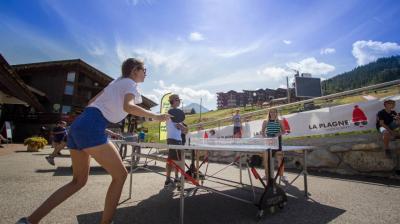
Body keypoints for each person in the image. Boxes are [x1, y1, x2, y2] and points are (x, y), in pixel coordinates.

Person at [16, 58, 170, 224]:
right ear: (134, 71)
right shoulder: (130, 83)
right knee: (120, 175)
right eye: (144, 70)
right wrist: (155, 116)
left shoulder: (115, 83)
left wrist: (95, 122)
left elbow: (91, 102)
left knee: (77, 181)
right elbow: (128, 107)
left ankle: (29, 221)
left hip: (79, 125)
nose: (146, 73)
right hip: (91, 126)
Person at [165, 94, 188, 188]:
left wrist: (184, 128)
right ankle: (174, 178)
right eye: (177, 100)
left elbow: (183, 129)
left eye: (179, 100)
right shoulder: (173, 113)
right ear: (173, 101)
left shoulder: (173, 113)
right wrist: (184, 128)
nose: (179, 101)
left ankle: (170, 178)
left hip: (173, 139)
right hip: (175, 140)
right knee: (177, 161)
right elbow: (182, 128)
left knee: (171, 160)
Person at [261, 108, 287, 182]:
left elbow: (284, 131)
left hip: (277, 142)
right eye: (271, 112)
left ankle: (281, 176)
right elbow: (262, 132)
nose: (272, 113)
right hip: (268, 142)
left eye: (274, 112)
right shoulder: (265, 121)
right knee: (266, 160)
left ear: (276, 113)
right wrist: (266, 137)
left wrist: (278, 134)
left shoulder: (279, 121)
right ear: (269, 113)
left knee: (280, 159)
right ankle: (266, 175)